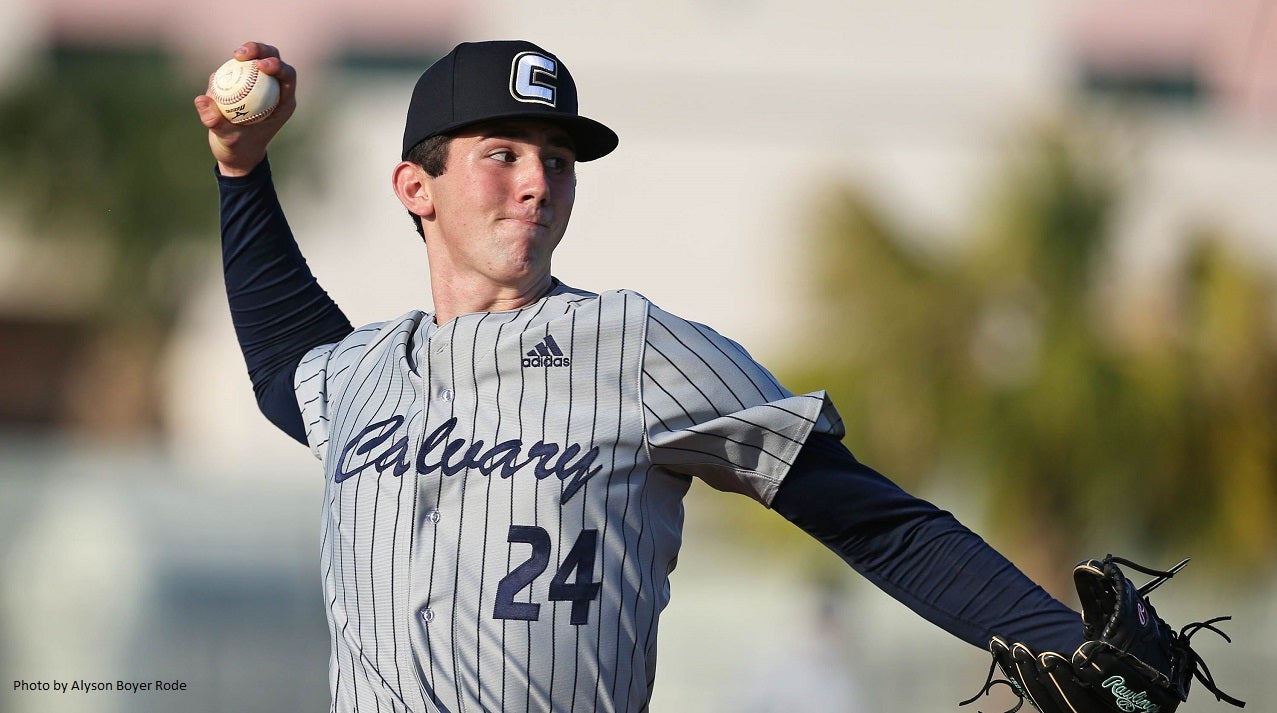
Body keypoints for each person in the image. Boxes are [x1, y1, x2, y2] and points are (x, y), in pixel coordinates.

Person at [193, 40, 1101, 713]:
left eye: (556, 159)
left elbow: (873, 521)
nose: (538, 181)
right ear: (414, 187)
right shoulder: (363, 377)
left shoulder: (638, 348)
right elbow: (285, 362)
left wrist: (1071, 645)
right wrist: (241, 171)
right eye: (502, 153)